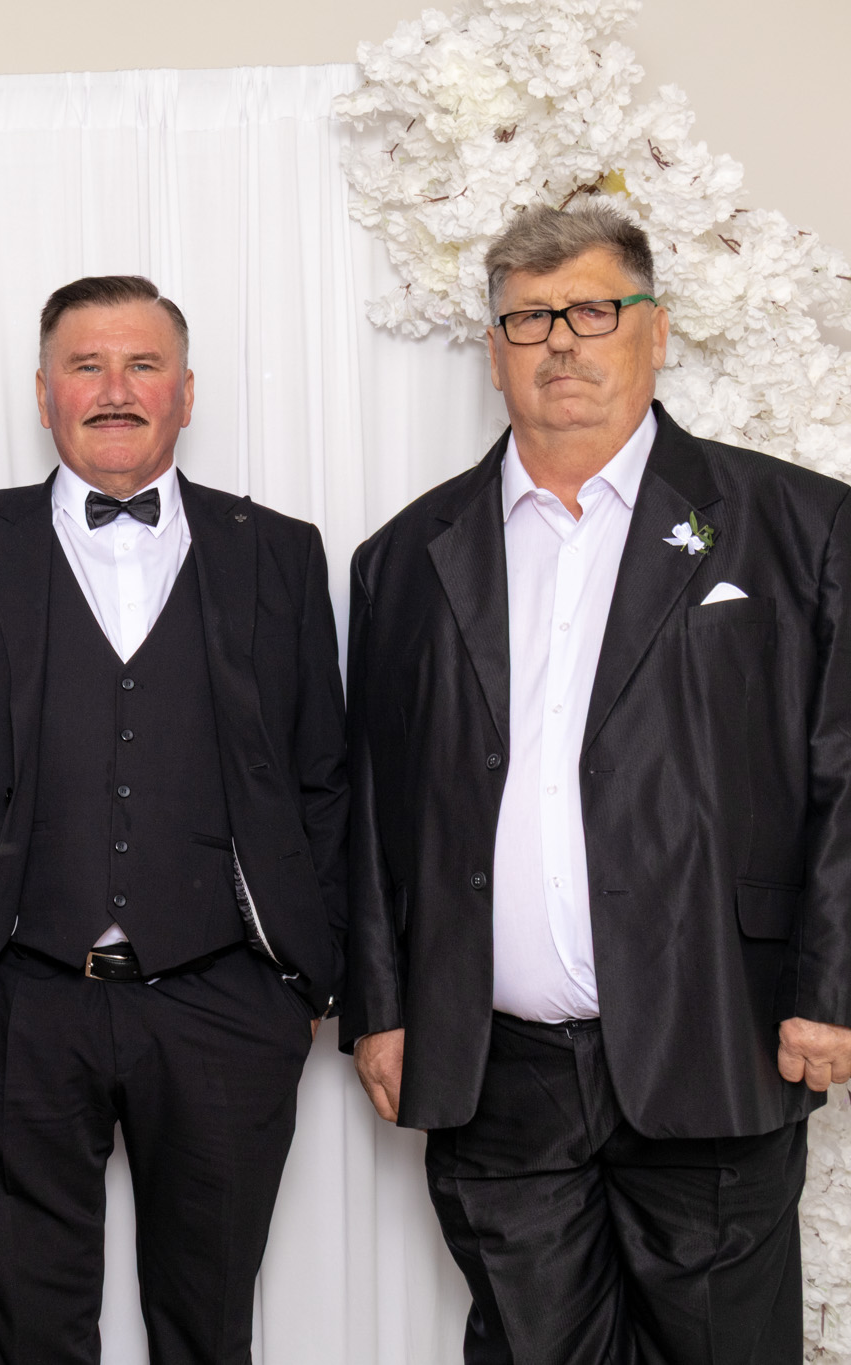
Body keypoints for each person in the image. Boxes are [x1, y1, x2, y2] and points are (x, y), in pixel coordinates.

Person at [345, 203, 851, 1364]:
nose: (559, 342)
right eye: (527, 319)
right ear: (493, 352)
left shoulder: (797, 526)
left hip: (714, 1035)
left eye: (590, 310)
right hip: (494, 1072)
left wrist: (828, 986)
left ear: (654, 331)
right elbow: (375, 800)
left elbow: (840, 768)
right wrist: (379, 1005)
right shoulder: (405, 557)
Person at [0, 274, 348, 1365]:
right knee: (29, 1335)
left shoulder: (277, 551)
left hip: (226, 1001)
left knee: (209, 1328)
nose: (114, 390)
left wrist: (305, 975)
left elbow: (320, 775)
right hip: (7, 999)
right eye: (85, 366)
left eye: (142, 366)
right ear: (43, 393)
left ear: (187, 392)